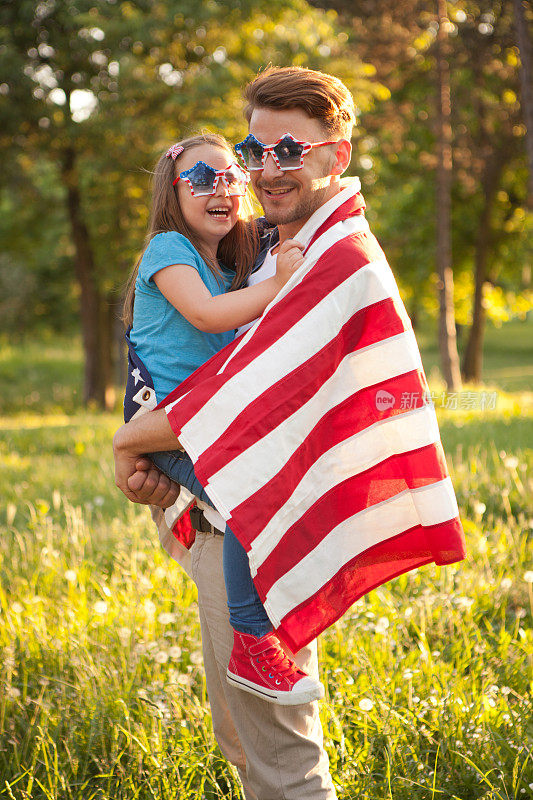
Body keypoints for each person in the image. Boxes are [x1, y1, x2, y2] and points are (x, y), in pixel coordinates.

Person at [115, 66, 463, 800]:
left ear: (335, 155)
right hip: (211, 517)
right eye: (256, 150)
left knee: (283, 764)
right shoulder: (264, 249)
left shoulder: (323, 259)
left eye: (291, 151)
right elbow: (196, 359)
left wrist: (132, 441)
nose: (266, 169)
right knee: (246, 746)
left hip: (256, 522)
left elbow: (245, 403)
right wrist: (142, 440)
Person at [122, 131, 323, 706]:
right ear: (173, 193)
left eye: (231, 177)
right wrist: (283, 284)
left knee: (261, 493)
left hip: (205, 423)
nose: (222, 188)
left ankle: (263, 634)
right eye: (202, 179)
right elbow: (208, 316)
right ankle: (252, 643)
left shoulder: (229, 256)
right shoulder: (168, 248)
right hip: (171, 430)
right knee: (247, 497)